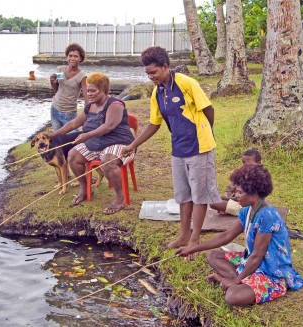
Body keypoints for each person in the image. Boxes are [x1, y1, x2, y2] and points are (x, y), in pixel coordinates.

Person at [122, 46, 220, 251]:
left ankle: (195, 239)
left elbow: (208, 109)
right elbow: (154, 124)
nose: (150, 77)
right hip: (178, 149)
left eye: (153, 72)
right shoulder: (157, 92)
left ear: (165, 66)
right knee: (183, 195)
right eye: (147, 73)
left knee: (200, 195)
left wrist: (206, 132)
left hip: (200, 147)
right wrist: (132, 145)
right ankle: (184, 235)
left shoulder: (187, 83)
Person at [176, 164, 303, 306]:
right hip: (252, 262)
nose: (235, 196)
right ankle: (240, 279)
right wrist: (194, 248)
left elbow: (257, 255)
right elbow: (226, 236)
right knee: (213, 256)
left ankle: (236, 281)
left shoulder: (267, 216)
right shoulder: (247, 211)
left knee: (232, 297)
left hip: (272, 271)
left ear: (253, 193)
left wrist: (235, 282)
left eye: (240, 192)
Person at [44, 72, 135, 214]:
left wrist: (86, 135)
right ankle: (85, 189)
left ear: (104, 90)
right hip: (97, 143)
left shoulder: (115, 104)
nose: (89, 94)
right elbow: (74, 123)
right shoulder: (90, 106)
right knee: (73, 156)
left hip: (120, 143)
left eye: (93, 90)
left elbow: (109, 126)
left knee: (107, 160)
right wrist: (54, 134)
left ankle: (119, 198)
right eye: (88, 90)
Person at [49, 43, 89, 131]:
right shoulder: (60, 70)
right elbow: (57, 89)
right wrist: (52, 82)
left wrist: (87, 114)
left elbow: (86, 96)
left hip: (69, 113)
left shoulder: (82, 76)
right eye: (70, 56)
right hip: (55, 109)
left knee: (73, 139)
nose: (72, 59)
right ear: (67, 57)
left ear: (80, 59)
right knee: (58, 138)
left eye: (76, 56)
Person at [210, 149, 262, 215]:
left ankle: (241, 213)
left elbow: (247, 198)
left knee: (214, 203)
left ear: (259, 163)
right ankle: (228, 209)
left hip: (249, 207)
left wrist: (229, 198)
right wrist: (233, 186)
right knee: (219, 198)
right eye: (243, 162)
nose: (245, 165)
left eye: (248, 162)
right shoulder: (245, 174)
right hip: (241, 202)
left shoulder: (259, 177)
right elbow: (232, 187)